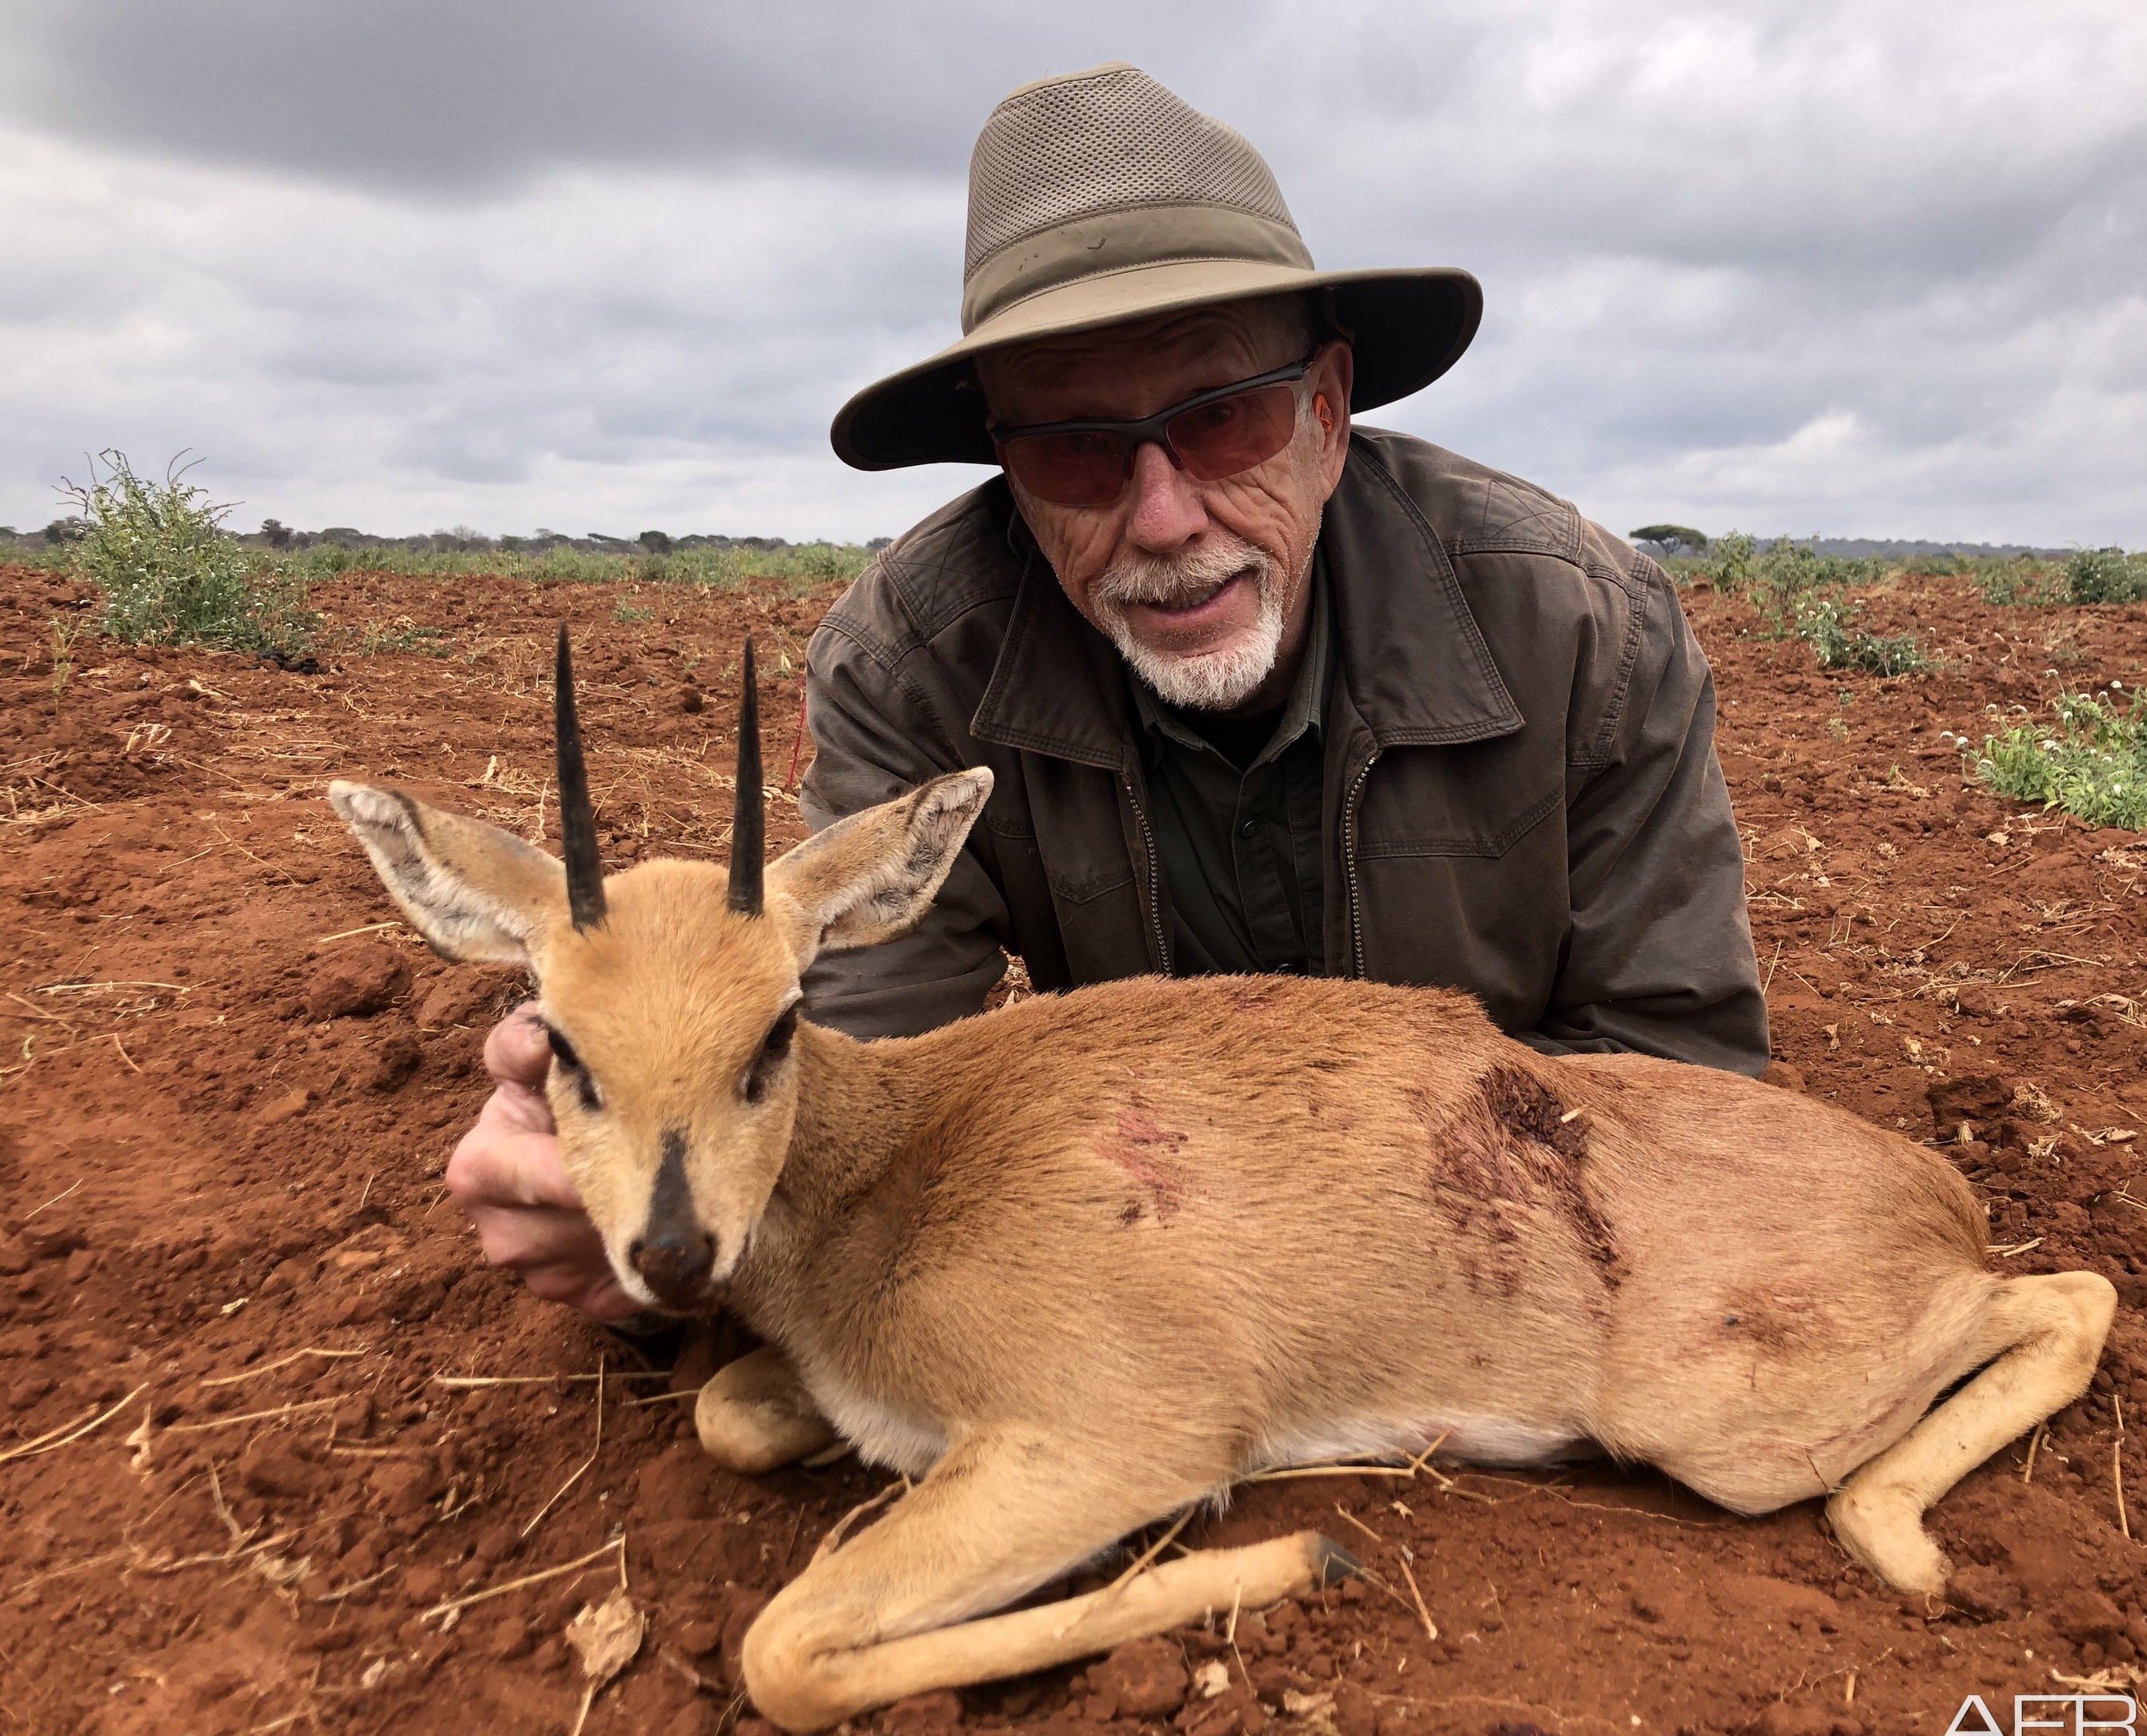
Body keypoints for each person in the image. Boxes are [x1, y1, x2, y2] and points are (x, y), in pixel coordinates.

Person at [451, 62, 1769, 1322]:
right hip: (1145, 1245)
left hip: (1486, 1247)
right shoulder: (914, 664)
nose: (1162, 515)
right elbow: (852, 1090)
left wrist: (1348, 1259)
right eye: (1079, 447)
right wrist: (638, 1182)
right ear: (1007, 469)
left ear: (1328, 408)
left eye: (1223, 418)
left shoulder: (1579, 624)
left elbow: (1678, 1076)